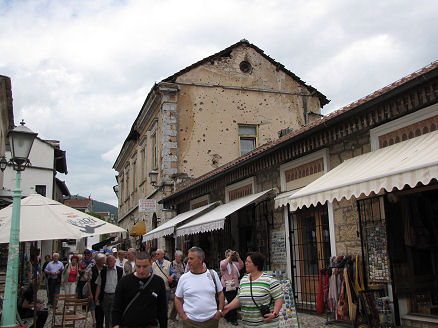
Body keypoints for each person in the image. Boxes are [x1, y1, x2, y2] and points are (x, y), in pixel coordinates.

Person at [223, 252, 284, 327]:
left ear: (256, 264)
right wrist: (228, 307)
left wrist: (275, 313)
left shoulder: (269, 280)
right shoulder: (244, 280)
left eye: (248, 262)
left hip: (266, 325)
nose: (246, 264)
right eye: (246, 261)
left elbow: (279, 297)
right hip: (248, 324)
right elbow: (239, 298)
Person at [112, 252, 168, 328]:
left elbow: (162, 309)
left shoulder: (158, 282)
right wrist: (116, 325)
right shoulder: (124, 282)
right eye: (138, 266)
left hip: (150, 325)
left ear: (151, 264)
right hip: (128, 324)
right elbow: (117, 306)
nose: (141, 270)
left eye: (145, 267)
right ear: (135, 265)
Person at [175, 246, 224, 328]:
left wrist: (219, 311)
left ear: (200, 260)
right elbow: (178, 298)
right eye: (188, 259)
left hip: (211, 320)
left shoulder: (212, 274)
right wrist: (183, 316)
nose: (188, 262)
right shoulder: (184, 278)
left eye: (191, 259)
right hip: (190, 322)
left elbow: (220, 293)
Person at [95, 255, 123, 328]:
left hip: (115, 295)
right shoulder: (103, 271)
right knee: (107, 315)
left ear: (114, 262)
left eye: (110, 261)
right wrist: (96, 297)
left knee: (113, 315)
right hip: (106, 296)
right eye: (107, 261)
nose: (109, 263)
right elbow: (99, 285)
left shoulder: (120, 270)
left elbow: (123, 284)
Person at [220, 249, 244, 326]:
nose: (231, 257)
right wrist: (229, 257)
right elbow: (223, 266)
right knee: (230, 301)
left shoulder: (234, 264)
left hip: (235, 285)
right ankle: (231, 318)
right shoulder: (223, 262)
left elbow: (241, 265)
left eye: (231, 255)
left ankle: (231, 317)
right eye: (229, 255)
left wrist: (238, 257)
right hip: (227, 285)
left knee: (234, 302)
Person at [85, 253, 106, 328]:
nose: (104, 262)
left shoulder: (105, 269)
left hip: (103, 292)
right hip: (94, 290)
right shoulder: (92, 269)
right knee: (94, 307)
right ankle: (96, 321)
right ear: (98, 261)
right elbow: (89, 282)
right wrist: (90, 293)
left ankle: (100, 323)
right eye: (103, 260)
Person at [169, 249, 185, 320]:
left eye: (181, 257)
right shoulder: (171, 264)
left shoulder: (183, 264)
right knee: (178, 298)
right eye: (179, 257)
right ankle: (174, 316)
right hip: (175, 284)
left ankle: (174, 315)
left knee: (180, 299)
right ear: (175, 257)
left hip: (182, 284)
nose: (180, 258)